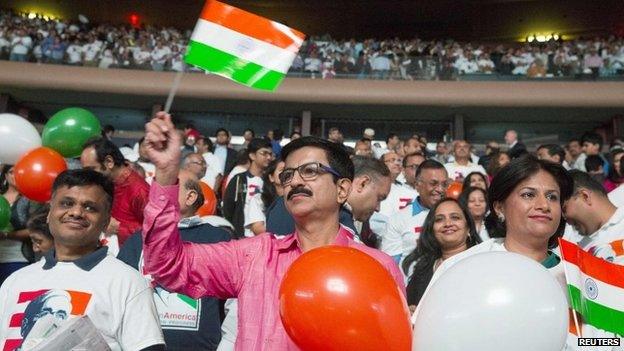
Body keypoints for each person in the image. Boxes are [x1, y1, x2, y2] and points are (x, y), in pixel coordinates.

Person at [141, 112, 404, 350]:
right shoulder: (255, 255)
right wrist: (165, 174)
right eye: (288, 175)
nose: (296, 181)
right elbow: (167, 265)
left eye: (311, 171)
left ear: (343, 189)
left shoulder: (376, 267)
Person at [0, 169, 164, 351]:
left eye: (90, 207)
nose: (76, 212)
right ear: (49, 213)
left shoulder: (127, 282)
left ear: (105, 221)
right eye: (66, 203)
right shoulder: (15, 282)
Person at [415, 155, 573, 326]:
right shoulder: (460, 268)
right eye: (528, 195)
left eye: (552, 197)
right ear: (499, 208)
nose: (544, 205)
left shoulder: (577, 276)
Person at [118, 170, 230, 351]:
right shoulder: (137, 240)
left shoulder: (219, 240)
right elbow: (118, 297)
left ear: (190, 197)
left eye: (168, 186)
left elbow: (236, 306)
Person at [402, 199, 481, 307]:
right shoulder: (423, 269)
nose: (448, 224)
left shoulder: (481, 263)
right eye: (439, 220)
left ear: (468, 228)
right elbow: (407, 305)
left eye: (455, 217)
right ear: (432, 230)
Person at [80, 138, 150, 245]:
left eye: (91, 170)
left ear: (109, 162)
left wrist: (118, 228)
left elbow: (156, 232)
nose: (88, 176)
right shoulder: (106, 183)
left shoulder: (138, 190)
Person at [381, 160, 449, 263]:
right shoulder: (398, 220)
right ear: (417, 185)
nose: (440, 189)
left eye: (444, 184)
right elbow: (392, 265)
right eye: (433, 183)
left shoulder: (458, 217)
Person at [222, 138, 273, 238]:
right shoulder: (239, 179)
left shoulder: (270, 182)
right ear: (252, 155)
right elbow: (228, 207)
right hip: (241, 236)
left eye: (270, 154)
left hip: (263, 236)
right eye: (264, 153)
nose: (268, 157)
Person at [0, 165, 32, 284]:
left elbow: (35, 229)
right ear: (5, 175)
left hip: (19, 257)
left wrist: (7, 235)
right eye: (12, 172)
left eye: (20, 171)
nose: (16, 175)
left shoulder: (29, 198)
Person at [245, 160, 285, 236]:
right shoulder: (258, 199)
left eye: (289, 170)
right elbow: (258, 228)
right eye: (282, 170)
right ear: (271, 177)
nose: (287, 173)